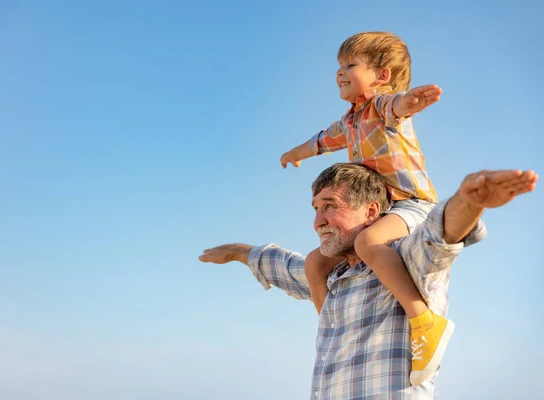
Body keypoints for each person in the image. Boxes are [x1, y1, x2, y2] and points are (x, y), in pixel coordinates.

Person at [199, 163, 538, 399]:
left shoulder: (404, 262)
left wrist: (470, 202)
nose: (318, 221)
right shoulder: (330, 277)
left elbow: (439, 234)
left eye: (330, 206)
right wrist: (236, 251)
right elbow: (281, 264)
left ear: (372, 213)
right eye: (315, 209)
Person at [279, 31, 445, 385]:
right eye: (338, 66)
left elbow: (397, 107)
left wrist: (410, 103)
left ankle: (424, 321)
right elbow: (321, 142)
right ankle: (334, 331)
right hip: (382, 210)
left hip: (412, 204)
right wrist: (294, 154)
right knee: (314, 262)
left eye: (350, 65)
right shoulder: (349, 122)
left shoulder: (381, 107)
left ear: (381, 76)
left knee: (367, 244)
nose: (340, 72)